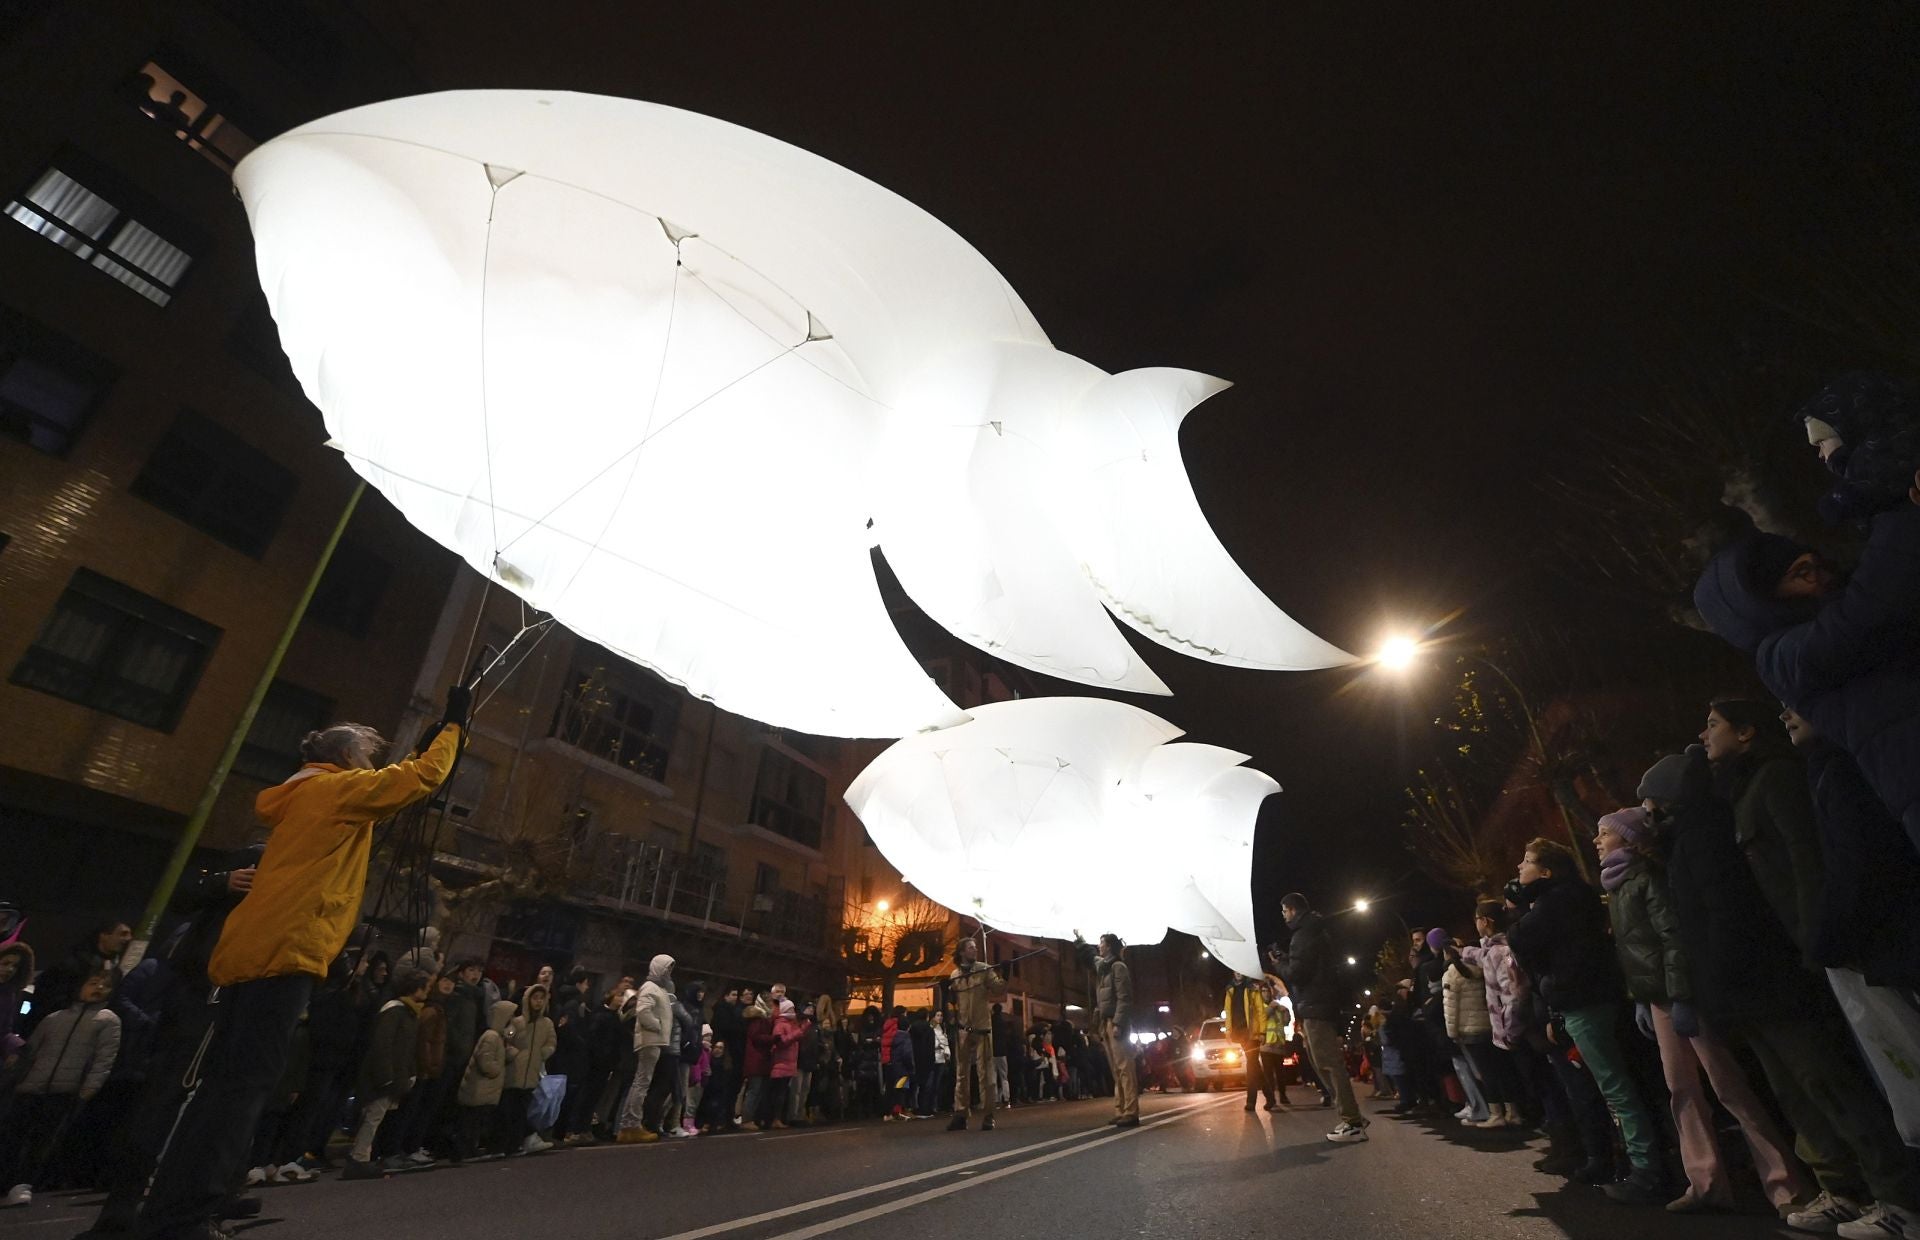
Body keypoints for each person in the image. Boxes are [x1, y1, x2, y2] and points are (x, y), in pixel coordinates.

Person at [137, 700, 464, 1240]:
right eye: (363, 755)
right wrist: (452, 731)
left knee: (225, 1087)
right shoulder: (333, 792)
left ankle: (182, 1205)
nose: (368, 766)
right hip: (285, 953)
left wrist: (427, 743)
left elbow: (391, 782)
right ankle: (186, 1215)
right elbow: (418, 779)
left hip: (253, 952)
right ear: (342, 758)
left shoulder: (304, 795)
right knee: (242, 1090)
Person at [1644, 747, 1920, 1237]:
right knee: (1798, 1094)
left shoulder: (1704, 837)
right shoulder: (1687, 840)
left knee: (1826, 1084)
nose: (1645, 811)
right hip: (1748, 992)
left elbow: (1727, 919)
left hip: (1765, 987)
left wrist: (1717, 985)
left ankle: (1896, 1194)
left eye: (1651, 800)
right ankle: (1845, 1190)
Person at [1595, 806, 1807, 1214]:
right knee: (1682, 1090)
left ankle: (1785, 1186)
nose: (1597, 840)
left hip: (1681, 995)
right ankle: (1706, 1183)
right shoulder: (1619, 886)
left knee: (1728, 1085)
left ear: (1629, 839)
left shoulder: (1647, 879)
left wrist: (1680, 998)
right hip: (1659, 998)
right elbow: (1639, 952)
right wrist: (1642, 997)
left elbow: (1672, 939)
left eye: (1604, 833)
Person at [1785, 704, 1920, 1148]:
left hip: (1887, 940)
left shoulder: (1839, 771)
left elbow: (1854, 862)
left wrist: (1825, 938)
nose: (1785, 714)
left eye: (1795, 702)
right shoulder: (1828, 769)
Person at [1506, 838, 1666, 1203]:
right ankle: (1637, 1164)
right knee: (1616, 1086)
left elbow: (1522, 940)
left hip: (1584, 1003)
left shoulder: (1556, 901)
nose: (1519, 868)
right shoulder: (1570, 896)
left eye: (1526, 861)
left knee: (1615, 1088)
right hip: (1583, 1000)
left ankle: (1647, 1172)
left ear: (1546, 872)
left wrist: (1519, 907)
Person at [1, 969, 119, 1208]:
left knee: (42, 1140)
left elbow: (103, 1060)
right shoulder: (54, 1018)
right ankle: (6, 1179)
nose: (97, 988)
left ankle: (22, 1184)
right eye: (93, 982)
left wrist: (88, 1089)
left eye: (105, 986)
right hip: (32, 1087)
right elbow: (31, 1051)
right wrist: (17, 1078)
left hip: (65, 1090)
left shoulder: (108, 1021)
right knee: (14, 1134)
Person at [1270, 894, 1366, 1145]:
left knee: (1327, 1063)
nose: (1283, 916)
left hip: (1316, 1006)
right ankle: (1351, 1116)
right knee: (1322, 1062)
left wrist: (1280, 964)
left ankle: (1352, 1122)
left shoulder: (1303, 935)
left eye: (1284, 911)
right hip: (1318, 1004)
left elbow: (1298, 973)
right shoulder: (1314, 931)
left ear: (1291, 910)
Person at [343, 966, 429, 1179]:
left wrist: (410, 1073)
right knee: (372, 1117)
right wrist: (387, 1076)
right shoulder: (394, 1010)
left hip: (393, 1077)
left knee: (377, 1117)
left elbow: (407, 1049)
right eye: (425, 987)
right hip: (382, 1078)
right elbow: (383, 1044)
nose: (427, 992)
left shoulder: (409, 1013)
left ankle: (364, 1155)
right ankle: (358, 1157)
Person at [1442, 929, 1517, 1128]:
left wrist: (1452, 1033)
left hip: (1470, 1030)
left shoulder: (1452, 973)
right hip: (1492, 1025)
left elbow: (1451, 1007)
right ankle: (1513, 1111)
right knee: (1502, 1069)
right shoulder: (1483, 967)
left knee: (1485, 1073)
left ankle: (1495, 1113)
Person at [946, 937, 1005, 1131]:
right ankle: (961, 1113)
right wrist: (946, 996)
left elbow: (998, 989)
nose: (975, 950)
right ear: (962, 952)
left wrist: (1005, 973)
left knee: (985, 1072)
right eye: (971, 948)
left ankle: (988, 1114)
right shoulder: (954, 974)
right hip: (963, 1029)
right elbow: (952, 1000)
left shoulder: (985, 969)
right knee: (961, 1073)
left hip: (982, 1027)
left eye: (975, 948)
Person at [616, 955, 674, 1143]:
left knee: (642, 1082)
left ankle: (630, 1124)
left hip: (654, 1040)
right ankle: (631, 1123)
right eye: (667, 968)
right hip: (650, 1040)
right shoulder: (650, 987)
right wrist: (657, 1026)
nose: (669, 972)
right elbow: (643, 1011)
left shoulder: (659, 988)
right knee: (641, 1083)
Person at [500, 982, 555, 1155]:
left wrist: (542, 1053)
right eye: (535, 998)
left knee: (522, 1112)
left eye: (541, 999)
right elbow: (506, 1039)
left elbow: (551, 1042)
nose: (538, 1002)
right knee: (508, 1110)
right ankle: (504, 1144)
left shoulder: (546, 1024)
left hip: (531, 1074)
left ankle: (516, 1144)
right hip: (513, 1073)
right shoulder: (517, 1022)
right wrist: (513, 1054)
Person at [454, 1000, 513, 1160]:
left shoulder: (498, 1037)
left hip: (485, 1090)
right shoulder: (491, 1036)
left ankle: (472, 1148)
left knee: (478, 1122)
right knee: (472, 1122)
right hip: (479, 1089)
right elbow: (485, 1061)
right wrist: (497, 1068)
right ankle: (466, 1151)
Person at [1093, 934, 1140, 1128]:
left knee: (1124, 1067)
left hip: (1115, 1022)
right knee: (1115, 1069)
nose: (1099, 945)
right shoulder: (1104, 968)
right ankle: (1120, 1109)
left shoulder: (1117, 967)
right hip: (1106, 1022)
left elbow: (1124, 998)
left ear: (1109, 946)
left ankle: (1130, 1111)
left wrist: (1119, 1023)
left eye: (1102, 942)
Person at [1224, 972, 1272, 1112]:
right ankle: (1270, 1097)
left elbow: (1260, 1011)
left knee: (1251, 1066)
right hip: (1240, 1033)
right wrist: (1228, 1030)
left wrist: (1262, 1032)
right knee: (1254, 1064)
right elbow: (1227, 1011)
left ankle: (1251, 1101)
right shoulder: (1230, 989)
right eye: (1235, 971)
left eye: (1240, 971)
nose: (1238, 974)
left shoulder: (1252, 988)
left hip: (1252, 1032)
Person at [760, 998, 807, 1129]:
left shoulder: (792, 1024)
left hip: (789, 1062)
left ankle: (778, 1118)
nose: (793, 1012)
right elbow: (781, 1042)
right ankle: (773, 1118)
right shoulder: (780, 1024)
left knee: (782, 1093)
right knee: (777, 1093)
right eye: (791, 1009)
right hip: (781, 1063)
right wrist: (799, 1032)